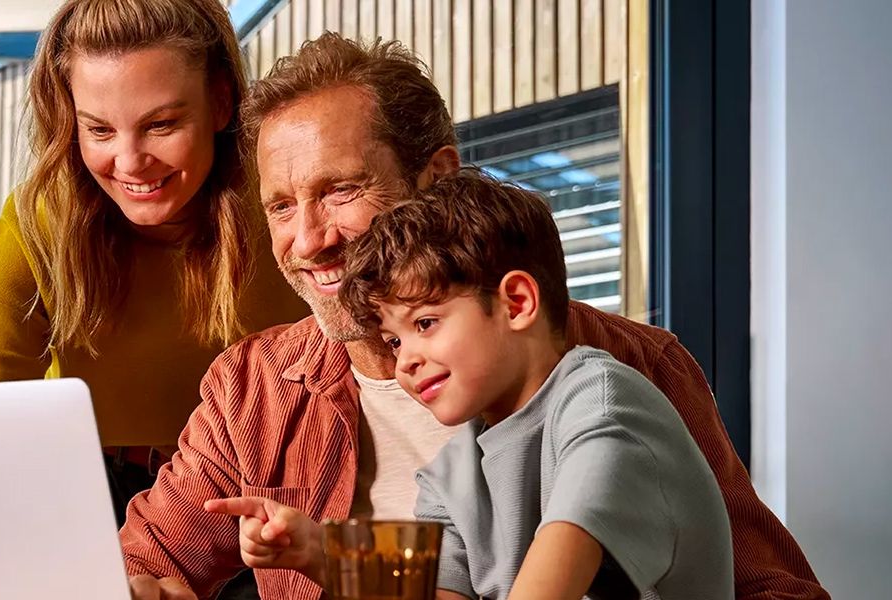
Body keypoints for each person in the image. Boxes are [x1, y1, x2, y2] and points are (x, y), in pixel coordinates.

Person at [119, 33, 827, 600]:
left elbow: (775, 590)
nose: (307, 240)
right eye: (280, 205)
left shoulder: (620, 384)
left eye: (341, 190)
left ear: (437, 178)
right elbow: (141, 562)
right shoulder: (255, 389)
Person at [234, 170, 734, 598]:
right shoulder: (454, 470)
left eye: (425, 324)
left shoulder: (606, 410)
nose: (406, 360)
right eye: (392, 341)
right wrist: (324, 555)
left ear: (516, 302)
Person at [0, 0, 310, 521]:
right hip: (87, 491)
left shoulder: (286, 208)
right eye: (99, 130)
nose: (129, 163)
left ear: (220, 102)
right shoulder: (37, 225)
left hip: (267, 487)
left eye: (161, 125)